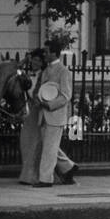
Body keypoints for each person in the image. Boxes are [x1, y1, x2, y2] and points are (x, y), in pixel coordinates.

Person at [33, 41, 79, 187]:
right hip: (44, 114)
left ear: (54, 53)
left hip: (55, 114)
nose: (44, 54)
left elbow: (66, 95)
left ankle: (45, 180)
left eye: (46, 52)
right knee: (50, 146)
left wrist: (48, 104)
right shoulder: (46, 71)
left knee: (49, 148)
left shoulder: (63, 71)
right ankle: (69, 167)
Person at [17, 50, 45, 187]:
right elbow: (15, 70)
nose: (35, 62)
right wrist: (24, 60)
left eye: (38, 60)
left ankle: (31, 176)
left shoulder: (45, 76)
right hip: (28, 111)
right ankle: (26, 173)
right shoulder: (26, 76)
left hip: (38, 110)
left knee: (35, 143)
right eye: (34, 60)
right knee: (25, 142)